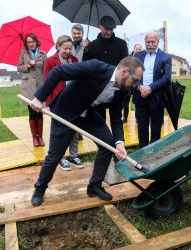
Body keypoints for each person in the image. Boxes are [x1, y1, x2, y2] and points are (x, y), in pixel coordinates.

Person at [29, 56, 144, 206]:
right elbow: (58, 72)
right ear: (124, 72)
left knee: (107, 145)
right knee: (55, 156)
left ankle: (94, 186)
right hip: (66, 111)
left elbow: (116, 118)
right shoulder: (96, 68)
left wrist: (120, 143)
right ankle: (40, 188)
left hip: (88, 114)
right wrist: (39, 97)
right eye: (135, 80)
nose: (136, 85)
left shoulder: (123, 90)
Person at [44, 35, 85, 171]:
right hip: (57, 101)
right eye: (65, 48)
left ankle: (74, 155)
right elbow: (46, 82)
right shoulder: (50, 61)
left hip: (73, 100)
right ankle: (60, 158)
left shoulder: (75, 60)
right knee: (59, 131)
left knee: (74, 128)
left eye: (70, 48)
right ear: (58, 47)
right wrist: (48, 102)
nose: (68, 51)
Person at [83, 15, 129, 120]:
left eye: (111, 29)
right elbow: (86, 65)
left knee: (116, 119)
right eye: (106, 29)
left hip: (116, 88)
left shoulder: (121, 44)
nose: (108, 32)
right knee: (99, 121)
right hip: (98, 89)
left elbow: (126, 64)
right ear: (100, 27)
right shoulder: (92, 45)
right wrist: (85, 51)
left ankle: (118, 137)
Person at [133, 32, 172, 148]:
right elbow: (133, 75)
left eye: (152, 42)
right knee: (142, 130)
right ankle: (142, 157)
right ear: (145, 42)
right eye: (147, 42)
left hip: (157, 98)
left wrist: (149, 88)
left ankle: (154, 158)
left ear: (158, 42)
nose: (150, 44)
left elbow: (166, 78)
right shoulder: (137, 56)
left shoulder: (165, 57)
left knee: (155, 131)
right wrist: (140, 87)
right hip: (140, 98)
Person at [17, 33, 46, 147]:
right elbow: (19, 68)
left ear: (36, 42)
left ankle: (41, 137)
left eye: (32, 42)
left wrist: (36, 63)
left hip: (40, 86)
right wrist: (28, 66)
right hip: (28, 87)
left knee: (39, 111)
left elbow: (45, 67)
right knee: (32, 113)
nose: (30, 44)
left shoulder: (43, 54)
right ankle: (35, 138)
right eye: (28, 42)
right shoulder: (23, 53)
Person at [122, 44, 143, 123]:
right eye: (137, 49)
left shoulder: (143, 58)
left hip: (138, 83)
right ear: (133, 49)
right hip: (129, 83)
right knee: (125, 101)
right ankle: (125, 117)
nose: (138, 50)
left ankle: (138, 118)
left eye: (140, 49)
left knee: (138, 101)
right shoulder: (128, 58)